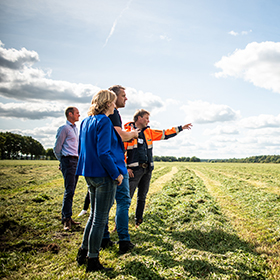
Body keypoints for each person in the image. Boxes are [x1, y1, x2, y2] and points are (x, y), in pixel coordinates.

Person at [75, 89, 126, 272]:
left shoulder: (86, 121)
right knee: (100, 219)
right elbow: (104, 153)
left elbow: (82, 150)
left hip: (89, 173)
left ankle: (83, 251)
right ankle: (93, 260)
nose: (114, 105)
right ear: (107, 104)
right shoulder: (104, 121)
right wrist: (116, 174)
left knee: (94, 215)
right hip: (104, 175)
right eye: (113, 102)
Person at [124, 109, 192, 227]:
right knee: (127, 198)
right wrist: (126, 168)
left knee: (142, 197)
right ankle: (120, 224)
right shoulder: (127, 132)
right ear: (139, 118)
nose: (148, 121)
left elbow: (165, 133)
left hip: (147, 169)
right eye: (146, 118)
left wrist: (180, 128)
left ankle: (138, 221)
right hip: (133, 171)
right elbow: (121, 152)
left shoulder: (149, 132)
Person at [100, 85, 139, 254]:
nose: (126, 98)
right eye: (124, 95)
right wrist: (133, 134)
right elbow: (120, 135)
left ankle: (104, 237)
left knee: (104, 205)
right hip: (116, 162)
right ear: (113, 98)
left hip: (103, 164)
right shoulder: (114, 113)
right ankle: (124, 239)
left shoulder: (98, 116)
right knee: (123, 201)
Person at [53, 107, 81, 231]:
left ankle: (68, 216)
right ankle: (66, 219)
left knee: (72, 190)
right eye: (76, 113)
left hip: (76, 161)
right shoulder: (64, 129)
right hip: (68, 160)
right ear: (70, 114)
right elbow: (57, 148)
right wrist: (63, 161)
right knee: (69, 190)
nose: (79, 114)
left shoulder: (75, 129)